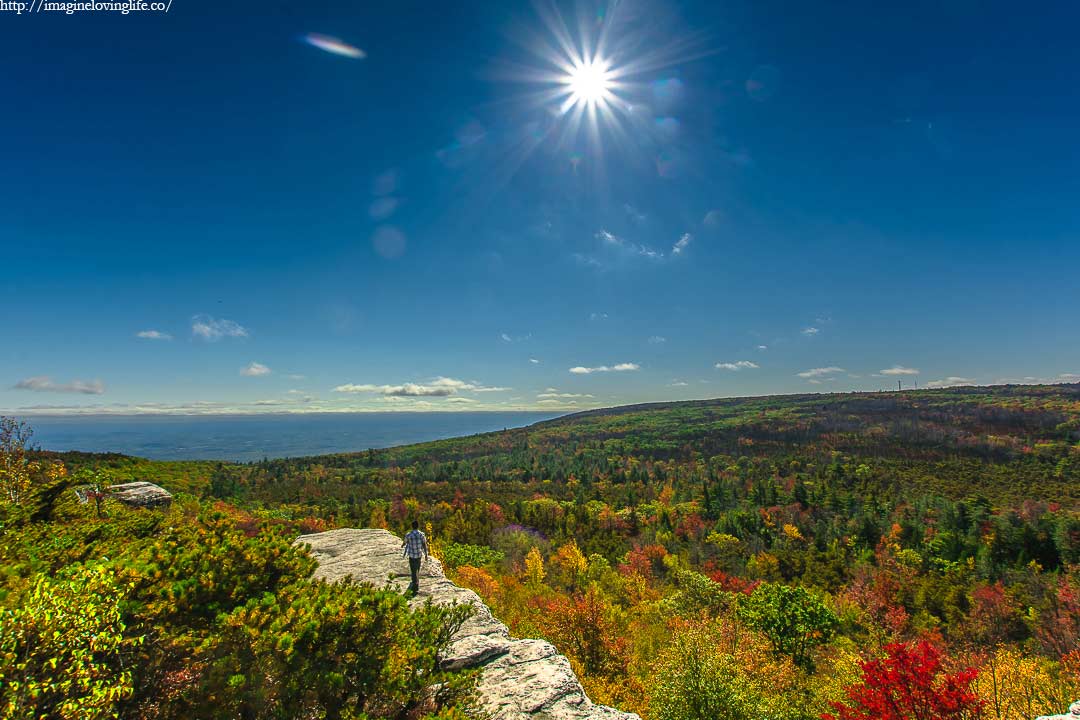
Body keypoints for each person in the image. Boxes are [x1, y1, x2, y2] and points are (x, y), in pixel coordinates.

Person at [401, 521, 430, 595]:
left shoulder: (409, 534)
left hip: (412, 555)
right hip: (419, 555)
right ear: (418, 526)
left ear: (412, 526)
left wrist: (402, 545)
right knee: (417, 568)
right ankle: (416, 581)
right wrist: (426, 555)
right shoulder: (421, 534)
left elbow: (405, 542)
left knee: (413, 570)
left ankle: (415, 585)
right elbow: (424, 545)